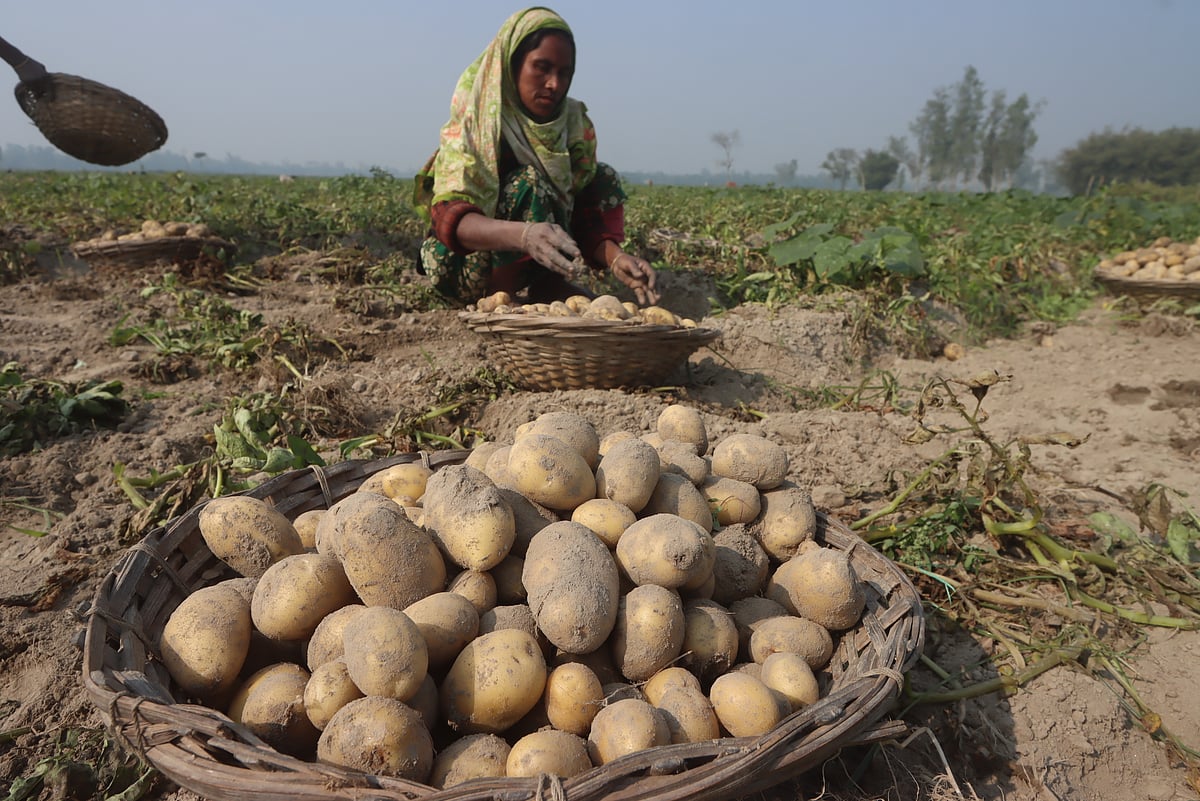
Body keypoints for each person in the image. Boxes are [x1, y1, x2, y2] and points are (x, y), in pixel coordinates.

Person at [413, 7, 659, 307]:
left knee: (601, 176)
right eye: (541, 67)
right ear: (512, 64)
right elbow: (450, 219)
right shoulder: (477, 119)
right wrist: (524, 235)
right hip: (466, 265)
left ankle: (547, 287)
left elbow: (581, 213)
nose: (554, 84)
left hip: (536, 258)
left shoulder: (572, 126)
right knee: (526, 183)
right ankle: (501, 298)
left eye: (564, 73)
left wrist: (616, 257)